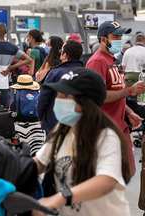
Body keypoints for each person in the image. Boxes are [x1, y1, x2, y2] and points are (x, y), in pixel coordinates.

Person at [32, 68, 131, 216]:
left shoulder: (106, 136)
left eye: (65, 96)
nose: (58, 99)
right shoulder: (63, 129)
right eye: (57, 94)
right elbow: (39, 163)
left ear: (86, 103)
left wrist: (59, 198)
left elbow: (106, 181)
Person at [86, 21, 145, 177]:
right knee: (107, 174)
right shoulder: (98, 62)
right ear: (103, 39)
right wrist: (130, 90)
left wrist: (129, 112)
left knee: (129, 170)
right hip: (104, 128)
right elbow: (98, 95)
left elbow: (117, 92)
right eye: (115, 36)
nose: (119, 39)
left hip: (120, 126)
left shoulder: (114, 60)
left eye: (120, 36)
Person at [0, 22, 31, 108]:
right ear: (5, 33)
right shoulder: (13, 47)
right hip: (3, 85)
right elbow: (28, 59)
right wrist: (10, 67)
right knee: (3, 111)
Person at [37, 39, 83, 134]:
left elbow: (43, 97)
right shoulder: (87, 73)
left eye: (61, 52)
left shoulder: (55, 73)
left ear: (65, 55)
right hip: (79, 123)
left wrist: (40, 117)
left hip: (55, 123)